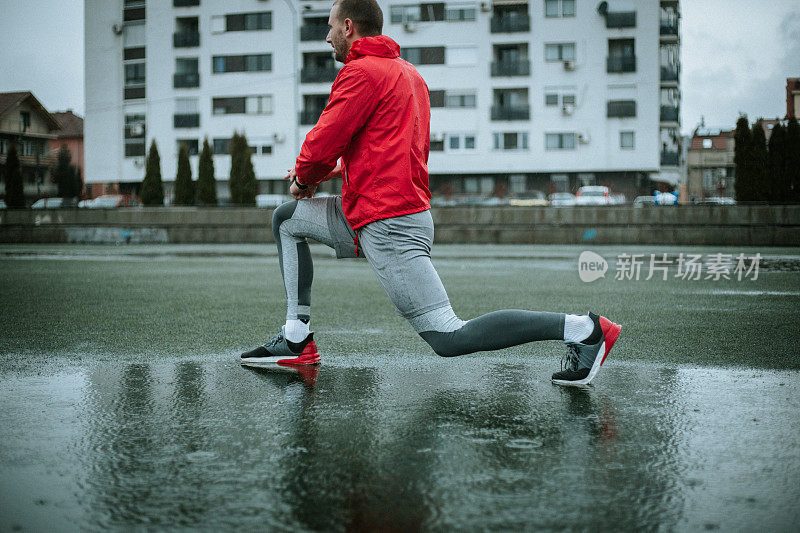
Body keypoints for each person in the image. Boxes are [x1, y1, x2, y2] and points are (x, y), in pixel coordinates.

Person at [241, 0, 622, 386]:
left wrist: (304, 180)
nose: (327, 37)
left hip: (389, 222)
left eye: (330, 27)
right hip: (372, 210)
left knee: (448, 336)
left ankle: (585, 330)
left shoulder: (361, 73)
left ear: (349, 26)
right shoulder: (409, 75)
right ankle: (295, 338)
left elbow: (324, 141)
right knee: (286, 220)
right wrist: (332, 173)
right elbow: (386, 150)